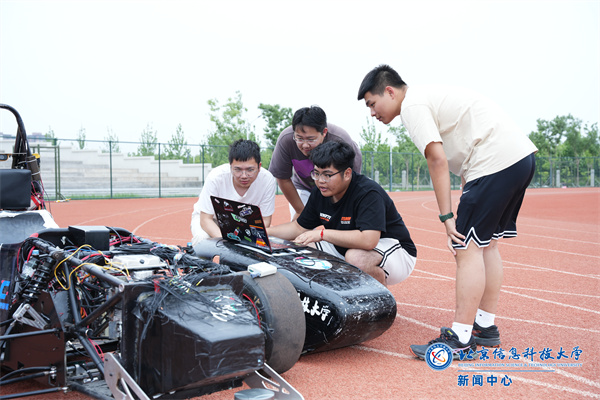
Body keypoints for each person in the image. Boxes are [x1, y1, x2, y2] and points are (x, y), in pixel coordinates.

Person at [357, 64, 537, 359]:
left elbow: (436, 159)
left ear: (390, 92)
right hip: (519, 158)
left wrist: (447, 217)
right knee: (486, 246)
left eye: (372, 103)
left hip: (493, 162)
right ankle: (484, 327)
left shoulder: (413, 105)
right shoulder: (428, 97)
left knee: (466, 249)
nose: (372, 113)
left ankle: (461, 337)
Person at [267, 140, 417, 286]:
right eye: (316, 173)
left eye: (327, 175)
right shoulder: (320, 192)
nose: (320, 180)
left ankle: (380, 302)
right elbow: (299, 227)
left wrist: (322, 234)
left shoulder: (368, 193)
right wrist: (265, 231)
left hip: (396, 252)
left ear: (347, 174)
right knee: (305, 247)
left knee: (356, 258)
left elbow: (368, 240)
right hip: (347, 248)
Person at [269, 105, 362, 220]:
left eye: (311, 139)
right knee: (300, 225)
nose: (305, 145)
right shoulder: (286, 139)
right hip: (304, 186)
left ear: (324, 132)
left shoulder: (341, 140)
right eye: (299, 138)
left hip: (336, 190)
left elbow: (350, 181)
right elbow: (282, 178)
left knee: (340, 226)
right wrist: (301, 212)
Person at [190, 139, 276, 246]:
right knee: (202, 240)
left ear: (259, 167)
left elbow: (265, 220)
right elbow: (205, 220)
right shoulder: (215, 177)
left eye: (250, 170)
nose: (244, 176)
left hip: (245, 223)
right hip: (213, 220)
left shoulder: (267, 180)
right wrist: (228, 242)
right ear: (230, 166)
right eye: (238, 170)